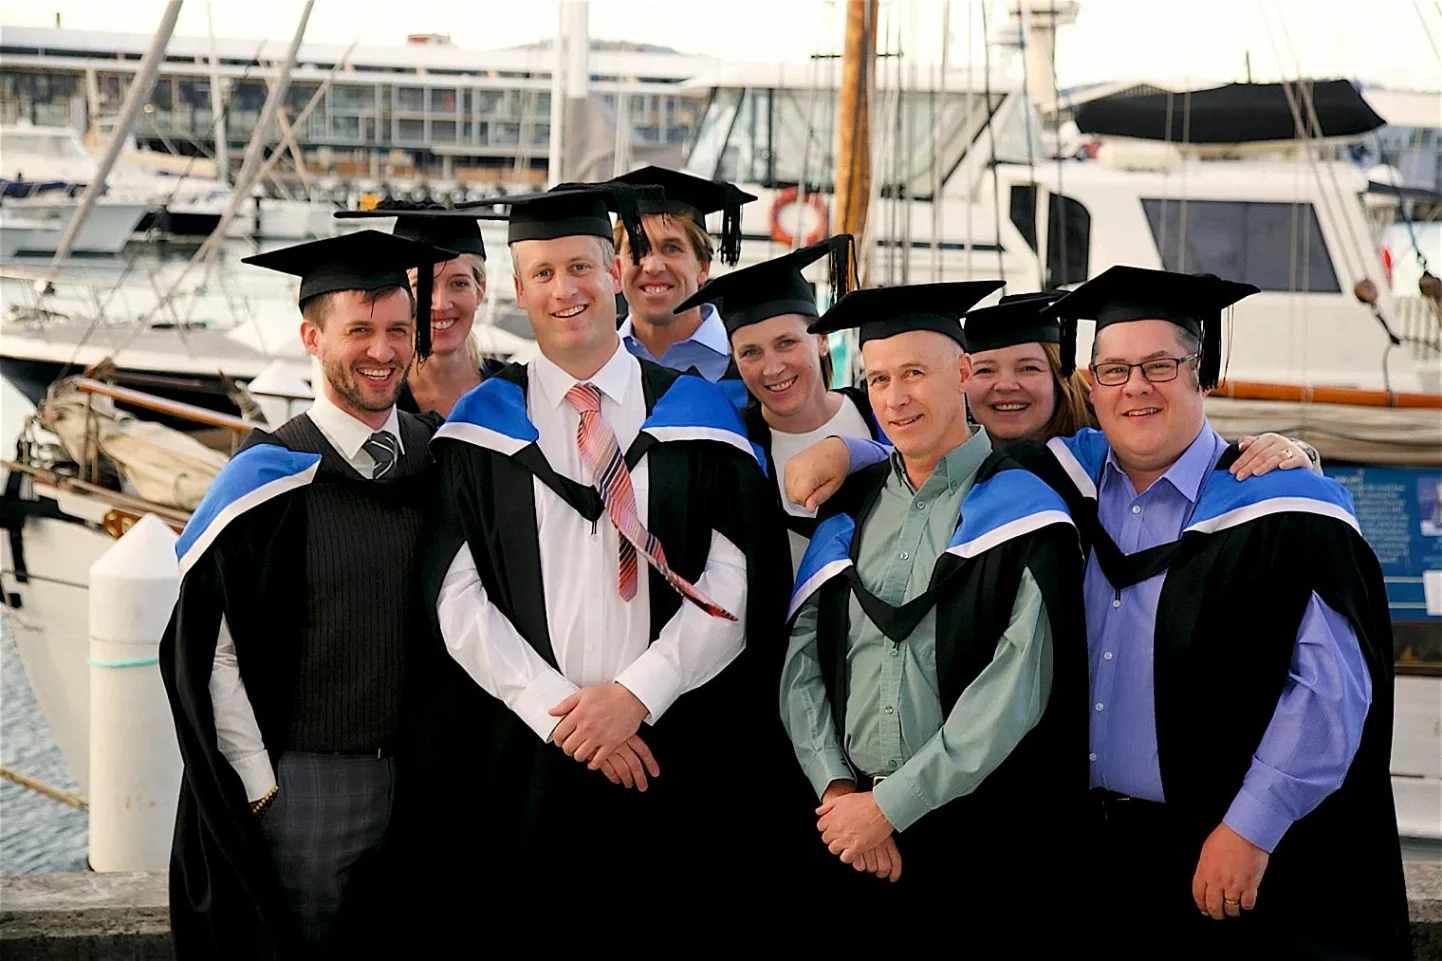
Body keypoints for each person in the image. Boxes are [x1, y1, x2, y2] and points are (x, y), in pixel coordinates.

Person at [406, 182, 797, 922]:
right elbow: (454, 597)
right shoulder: (479, 430)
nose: (565, 290)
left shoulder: (698, 417)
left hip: (671, 748)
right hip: (526, 758)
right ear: (518, 291)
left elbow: (737, 579)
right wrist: (561, 714)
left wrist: (637, 694)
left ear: (614, 273)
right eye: (544, 274)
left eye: (581, 267)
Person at [1044, 266, 1408, 959]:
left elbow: (1330, 691)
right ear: (1091, 385)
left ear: (1200, 374)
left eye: (1159, 365)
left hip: (1230, 855)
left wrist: (1251, 827)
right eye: (1115, 370)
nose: (1136, 387)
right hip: (1087, 861)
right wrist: (843, 446)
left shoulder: (1288, 508)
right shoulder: (1062, 488)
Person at [158, 230, 454, 959]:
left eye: (396, 329)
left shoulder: (438, 459)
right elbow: (209, 654)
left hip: (423, 785)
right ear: (311, 337)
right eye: (359, 330)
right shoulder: (265, 480)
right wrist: (263, 784)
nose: (382, 351)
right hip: (309, 785)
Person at [779, 282, 1088, 928]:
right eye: (880, 377)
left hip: (978, 835)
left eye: (915, 373)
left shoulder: (1026, 512)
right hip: (846, 829)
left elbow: (1014, 691)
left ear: (964, 373)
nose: (894, 397)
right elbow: (802, 661)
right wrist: (837, 789)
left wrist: (888, 807)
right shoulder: (848, 506)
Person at [784, 290, 1321, 511]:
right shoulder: (957, 460)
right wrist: (850, 450)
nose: (1005, 385)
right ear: (963, 377)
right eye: (987, 370)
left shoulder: (1089, 457)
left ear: (1065, 376)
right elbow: (925, 466)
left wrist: (1293, 451)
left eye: (1029, 368)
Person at [671, 233, 887, 571]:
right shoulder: (731, 450)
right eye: (751, 352)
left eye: (786, 343)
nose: (772, 368)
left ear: (822, 340)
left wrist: (854, 453)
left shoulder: (882, 416)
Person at [335, 201, 506, 415]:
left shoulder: (514, 391)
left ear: (480, 291)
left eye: (459, 283)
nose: (441, 304)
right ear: (400, 294)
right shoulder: (378, 402)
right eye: (422, 286)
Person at [608, 165, 757, 407]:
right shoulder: (594, 358)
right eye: (637, 249)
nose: (653, 266)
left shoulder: (748, 363)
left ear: (703, 267)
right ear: (617, 267)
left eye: (672, 248)